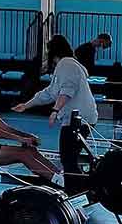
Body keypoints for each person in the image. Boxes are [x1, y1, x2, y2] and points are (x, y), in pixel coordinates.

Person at [13, 35, 98, 194]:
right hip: (82, 118)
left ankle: (77, 192)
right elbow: (50, 93)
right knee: (69, 158)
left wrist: (55, 110)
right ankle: (81, 190)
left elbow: (67, 91)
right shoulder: (67, 65)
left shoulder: (66, 64)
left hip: (77, 120)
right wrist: (26, 105)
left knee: (68, 159)